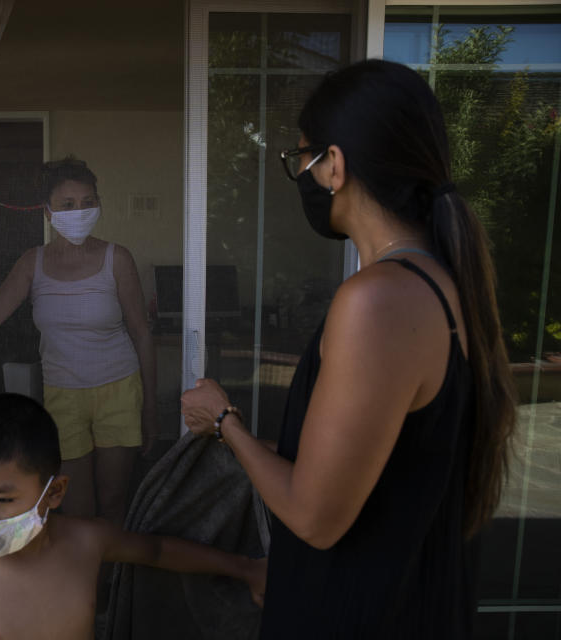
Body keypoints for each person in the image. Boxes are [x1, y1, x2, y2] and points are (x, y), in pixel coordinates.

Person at [181, 59, 516, 639]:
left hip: (356, 614)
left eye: (303, 159)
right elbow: (389, 465)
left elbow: (315, 518)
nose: (305, 177)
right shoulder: (441, 284)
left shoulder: (378, 301)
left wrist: (223, 421)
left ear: (334, 164)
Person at [0, 157, 157, 525]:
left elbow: (142, 334)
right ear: (48, 213)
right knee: (77, 507)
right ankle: (87, 579)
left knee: (114, 501)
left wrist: (149, 409)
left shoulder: (118, 259)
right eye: (67, 205)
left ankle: (115, 580)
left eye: (88, 202)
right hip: (63, 395)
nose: (79, 211)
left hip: (120, 389)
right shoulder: (33, 263)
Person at [0, 393, 266, 640]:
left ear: (56, 492)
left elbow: (159, 551)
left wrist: (245, 569)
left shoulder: (87, 543)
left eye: (1, 499)